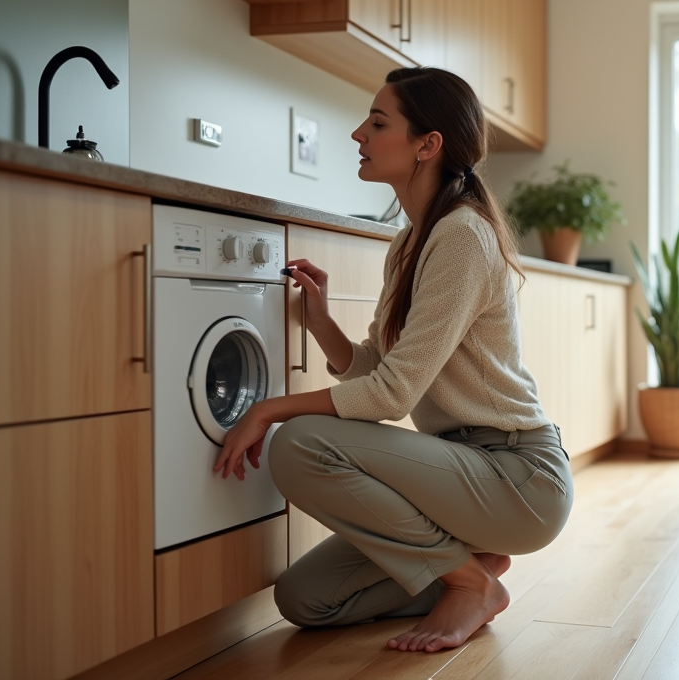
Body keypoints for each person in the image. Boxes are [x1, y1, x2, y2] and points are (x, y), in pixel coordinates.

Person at [212, 67, 573, 653]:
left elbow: (390, 397)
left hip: (517, 477)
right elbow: (374, 373)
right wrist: (322, 324)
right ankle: (471, 570)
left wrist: (268, 409)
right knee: (306, 599)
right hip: (461, 472)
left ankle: (465, 581)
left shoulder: (461, 236)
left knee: (299, 441)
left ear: (427, 145)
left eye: (378, 123)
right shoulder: (410, 242)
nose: (359, 134)